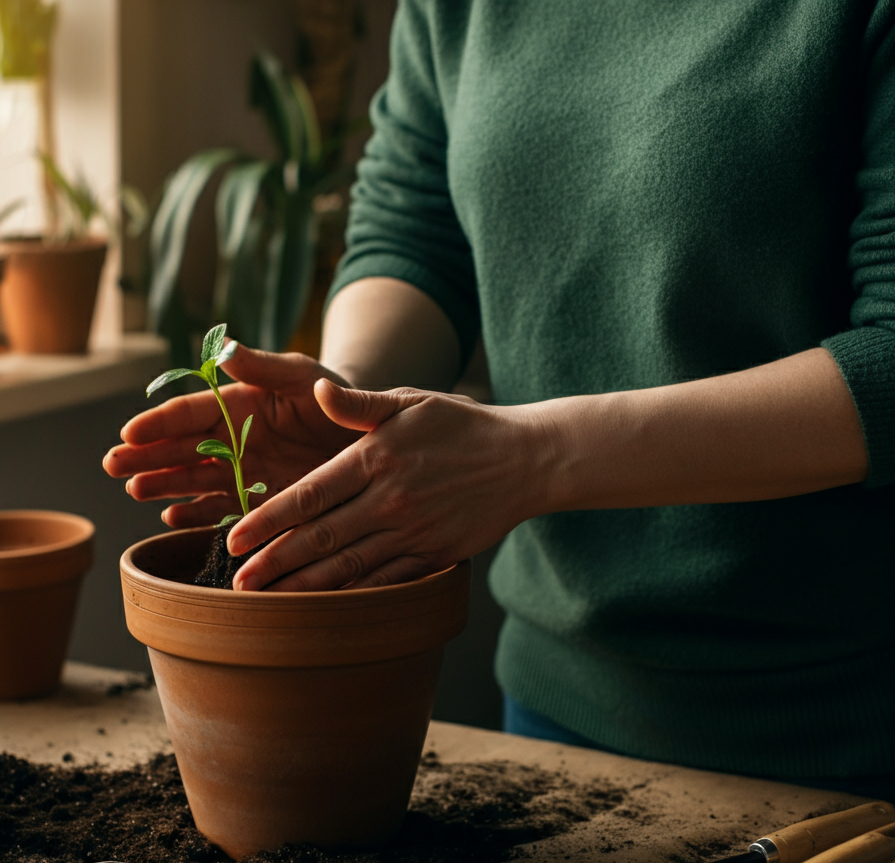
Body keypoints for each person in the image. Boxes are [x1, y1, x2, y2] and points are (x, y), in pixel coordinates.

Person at [104, 1, 894, 796]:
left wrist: (536, 458)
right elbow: (412, 229)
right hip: (560, 720)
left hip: (845, 737)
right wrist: (344, 402)